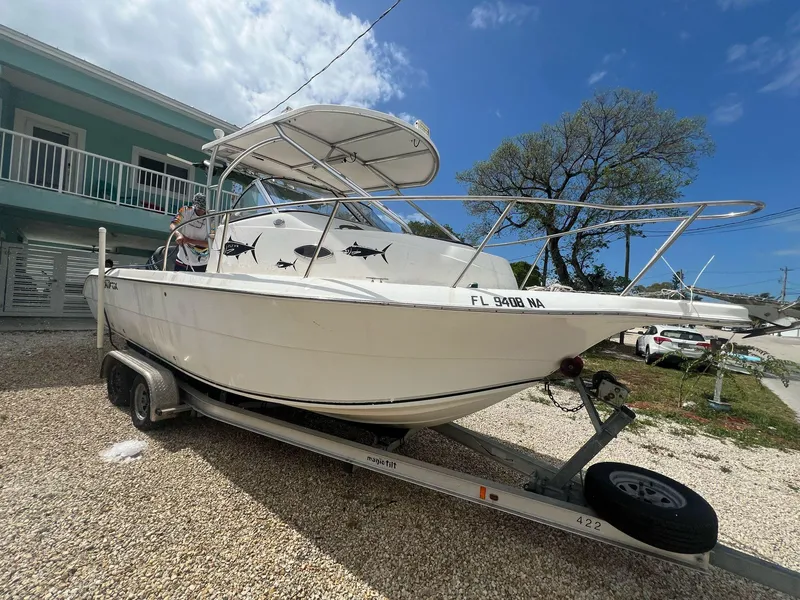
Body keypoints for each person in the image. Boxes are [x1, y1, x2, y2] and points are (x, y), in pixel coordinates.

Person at [170, 193, 214, 272]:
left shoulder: (211, 220)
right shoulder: (185, 210)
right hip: (182, 259)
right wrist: (178, 235)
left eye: (203, 209)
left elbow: (210, 243)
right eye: (199, 209)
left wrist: (188, 240)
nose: (201, 211)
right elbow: (173, 225)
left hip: (201, 263)